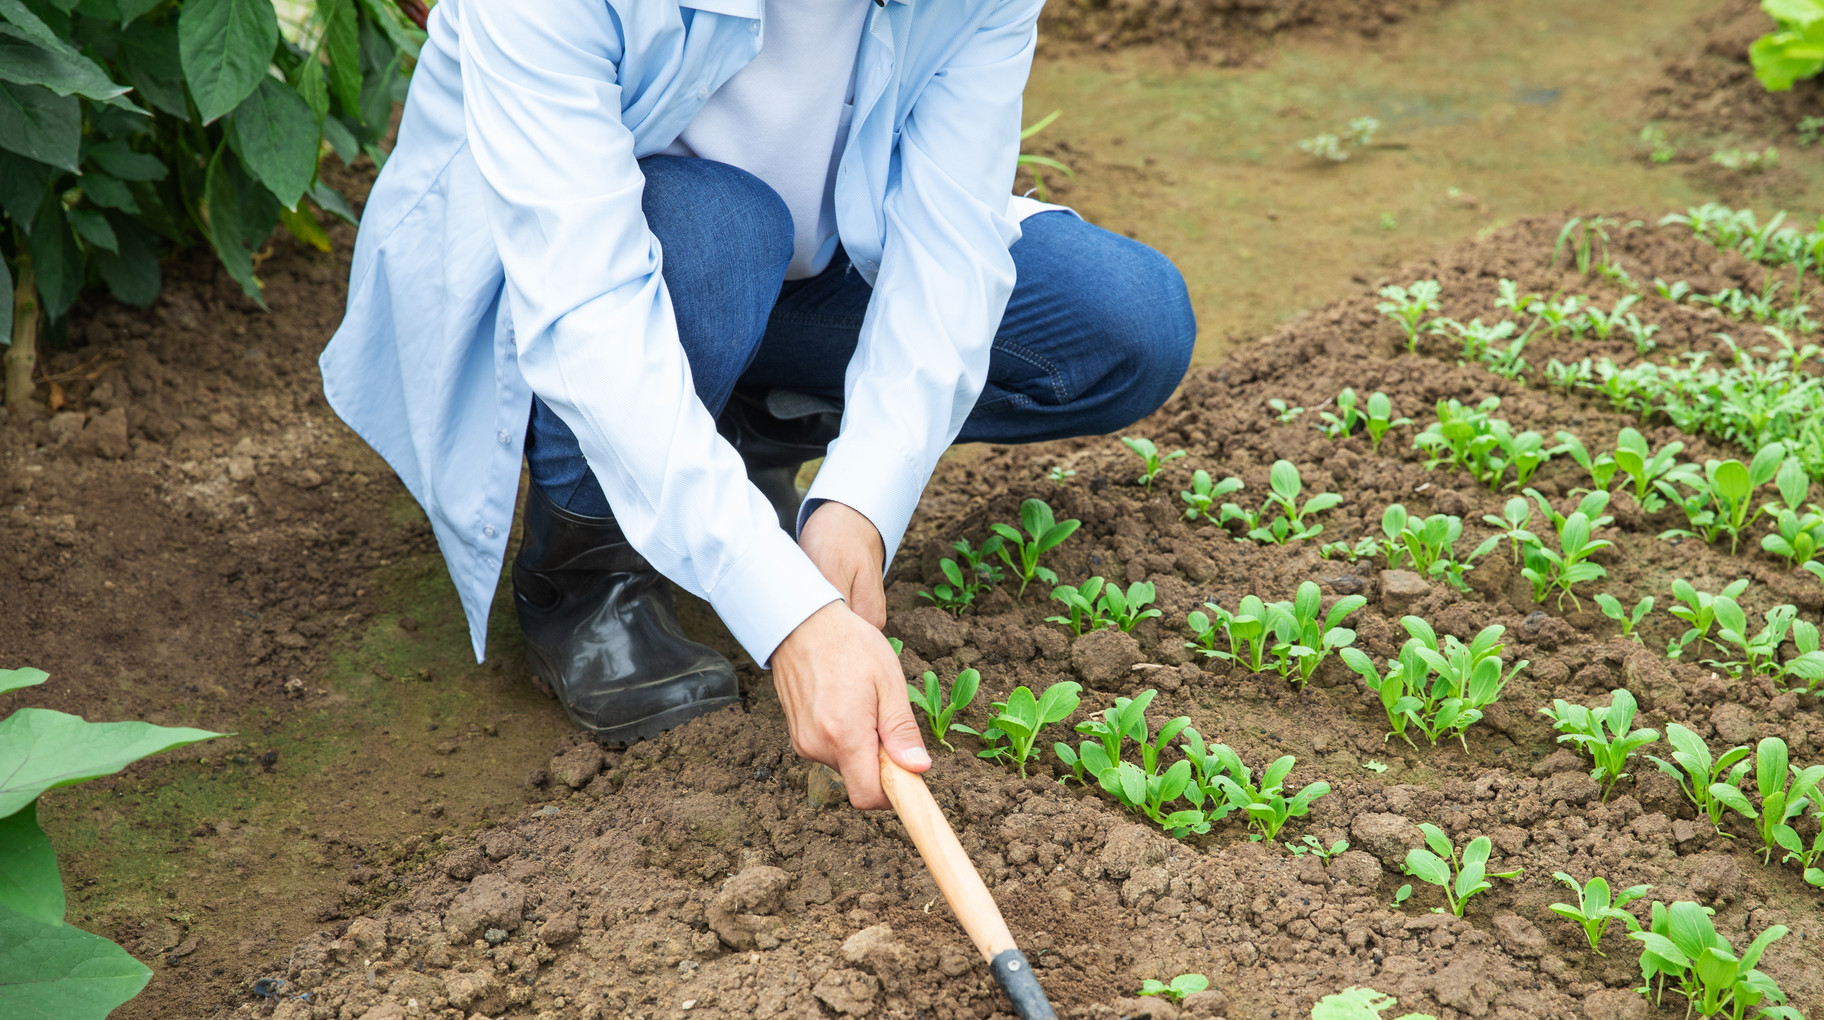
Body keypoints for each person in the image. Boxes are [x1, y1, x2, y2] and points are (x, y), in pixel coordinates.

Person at [319, 0, 1195, 812]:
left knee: (1127, 321)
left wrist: (859, 504)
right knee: (723, 233)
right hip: (605, 269)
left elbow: (949, 251)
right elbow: (590, 318)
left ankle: (753, 428)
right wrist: (788, 616)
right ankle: (584, 583)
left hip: (813, 260)